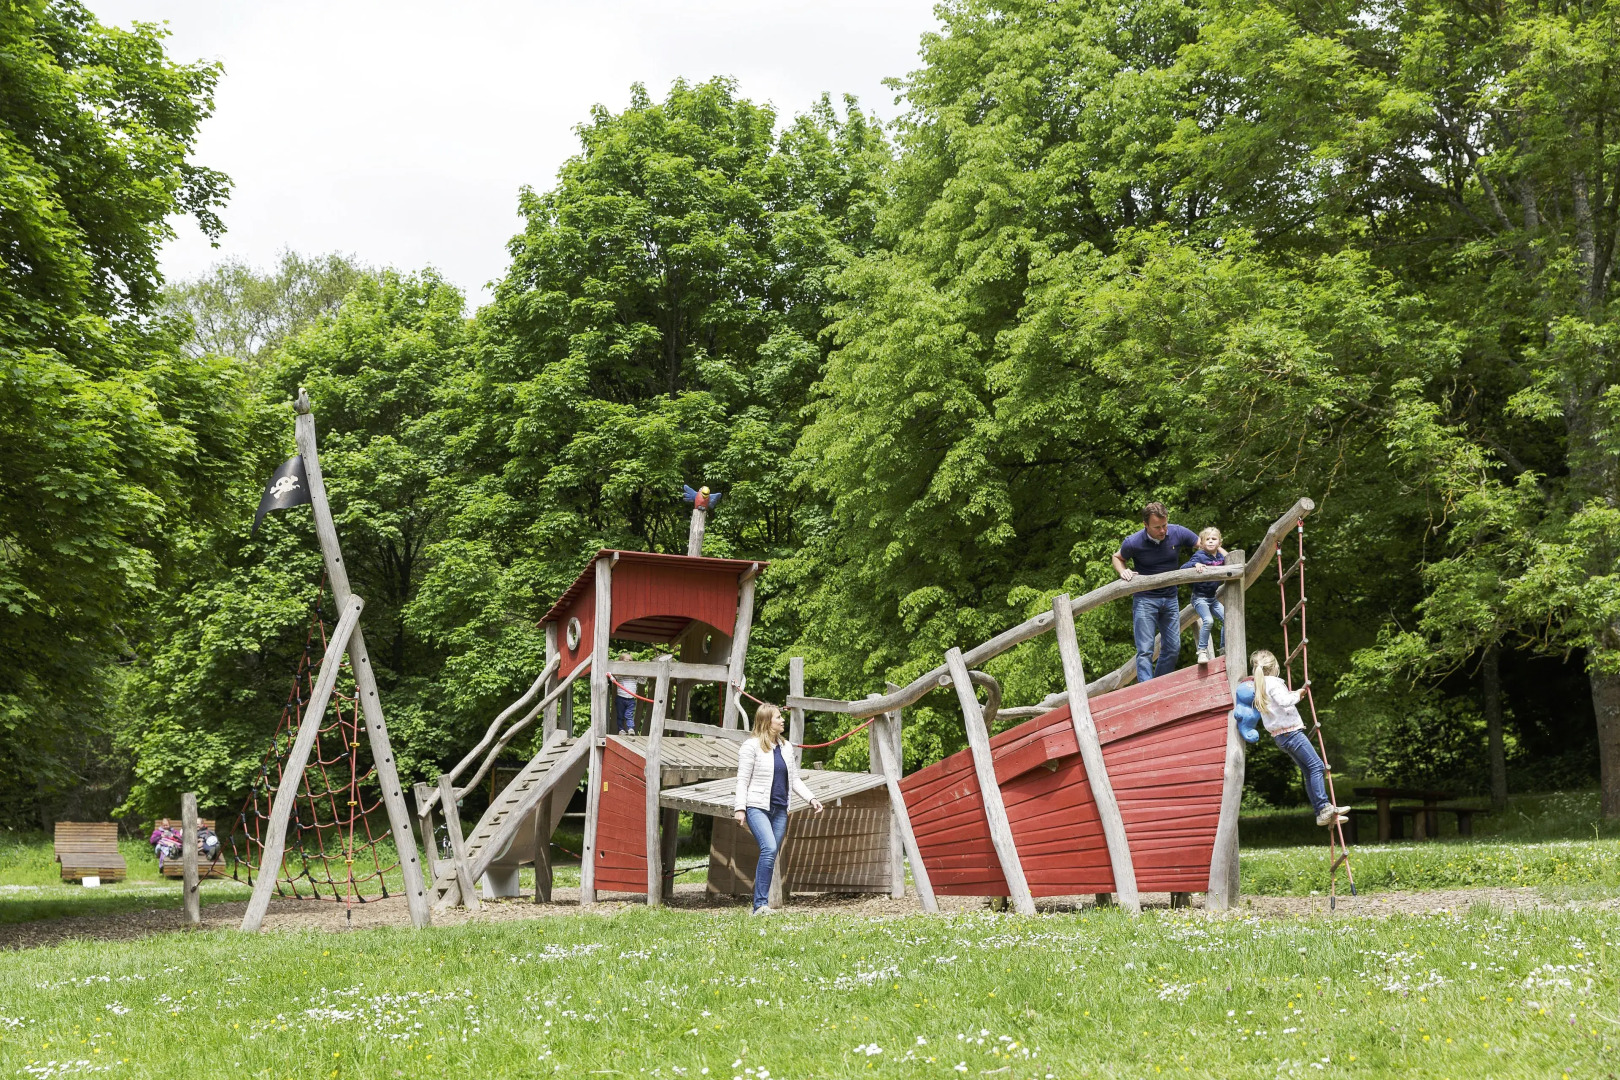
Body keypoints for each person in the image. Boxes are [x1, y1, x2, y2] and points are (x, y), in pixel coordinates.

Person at [733, 703, 823, 915]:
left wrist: (811, 798)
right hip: (757, 806)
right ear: (767, 722)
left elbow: (794, 779)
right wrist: (740, 808)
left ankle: (761, 904)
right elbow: (742, 780)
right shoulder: (751, 746)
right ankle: (760, 905)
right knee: (769, 848)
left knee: (771, 853)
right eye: (778, 717)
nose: (782, 720)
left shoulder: (786, 747)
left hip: (780, 808)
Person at [1250, 649, 1348, 827]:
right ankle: (1324, 808)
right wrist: (1298, 694)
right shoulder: (1274, 683)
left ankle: (1321, 813)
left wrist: (1293, 695)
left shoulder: (1260, 685)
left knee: (1309, 771)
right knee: (1317, 766)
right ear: (1274, 667)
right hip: (1291, 733)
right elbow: (1284, 701)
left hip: (1281, 736)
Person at [1112, 502, 1202, 682]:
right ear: (1145, 525)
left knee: (1173, 648)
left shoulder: (1177, 532)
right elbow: (1117, 557)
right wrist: (1123, 571)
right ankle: (1147, 689)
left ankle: (1158, 685)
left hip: (1170, 598)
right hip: (1145, 599)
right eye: (1157, 527)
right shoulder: (1133, 541)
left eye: (1164, 525)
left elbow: (1203, 544)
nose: (1162, 531)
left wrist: (1199, 560)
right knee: (1145, 650)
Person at [1183, 526, 1226, 664]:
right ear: (1201, 543)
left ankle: (1224, 648)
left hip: (1212, 598)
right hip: (1199, 598)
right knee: (1208, 621)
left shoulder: (1220, 557)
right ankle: (1202, 651)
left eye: (1214, 539)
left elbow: (1232, 559)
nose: (1211, 541)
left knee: (1228, 618)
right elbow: (1183, 568)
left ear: (1219, 542)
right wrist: (1195, 564)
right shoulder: (1199, 556)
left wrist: (1220, 549)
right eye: (1207, 539)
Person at [612, 652, 639, 735]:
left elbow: (642, 680)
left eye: (630, 660)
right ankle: (621, 730)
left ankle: (630, 729)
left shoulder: (634, 674)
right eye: (626, 660)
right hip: (621, 697)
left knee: (629, 715)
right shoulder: (620, 673)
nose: (629, 662)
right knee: (620, 715)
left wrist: (643, 674)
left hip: (631, 698)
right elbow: (614, 677)